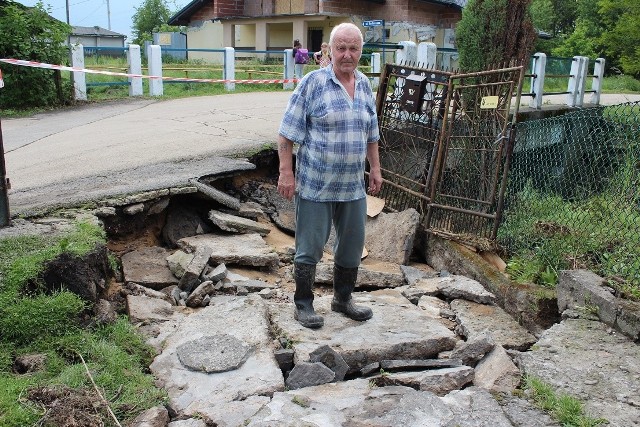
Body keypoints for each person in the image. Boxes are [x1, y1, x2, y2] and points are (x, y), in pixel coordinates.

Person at [277, 23, 383, 329]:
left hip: (352, 186)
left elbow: (371, 135)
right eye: (341, 48)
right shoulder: (312, 84)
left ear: (361, 52)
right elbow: (285, 136)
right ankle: (303, 304)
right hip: (315, 185)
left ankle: (343, 299)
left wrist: (375, 169)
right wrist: (286, 174)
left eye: (353, 49)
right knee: (309, 247)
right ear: (330, 50)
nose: (347, 55)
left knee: (351, 246)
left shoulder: (363, 85)